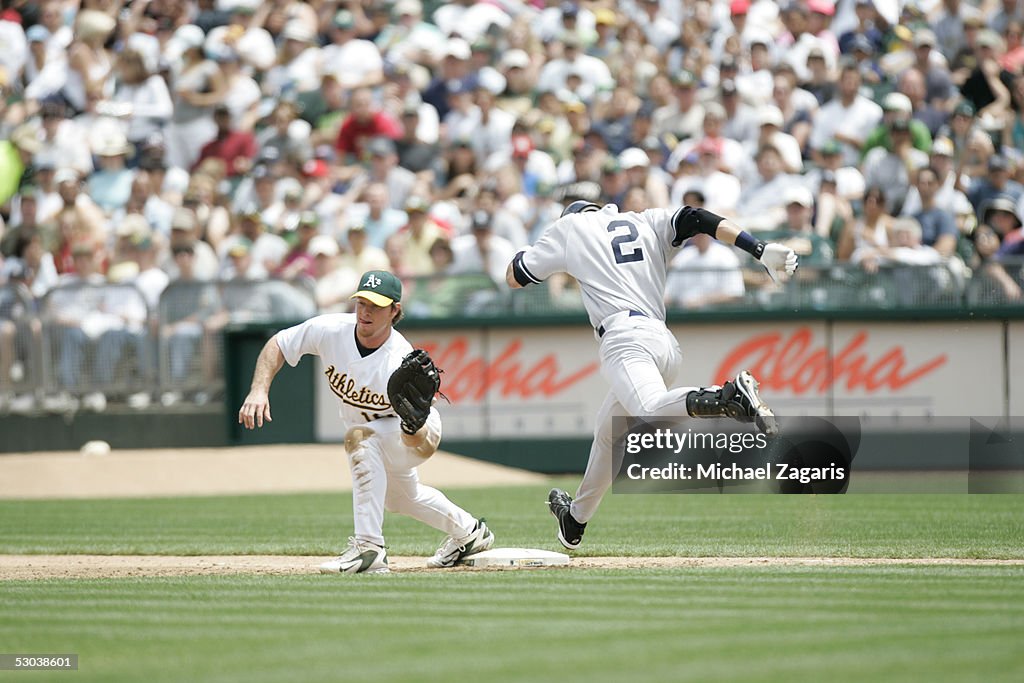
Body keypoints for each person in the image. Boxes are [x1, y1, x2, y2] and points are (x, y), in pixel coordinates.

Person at [506, 201, 798, 549]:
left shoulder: (570, 228)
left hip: (624, 338)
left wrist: (527, 248)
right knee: (609, 433)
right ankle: (574, 520)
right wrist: (757, 248)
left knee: (648, 409)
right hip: (662, 342)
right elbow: (697, 217)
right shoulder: (645, 220)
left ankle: (728, 397)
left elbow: (515, 277)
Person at [238, 270, 494, 573]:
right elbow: (278, 344)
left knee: (360, 438)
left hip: (415, 432)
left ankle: (368, 547)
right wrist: (258, 389)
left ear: (394, 310)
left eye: (376, 304)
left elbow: (414, 437)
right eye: (361, 302)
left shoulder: (398, 359)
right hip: (377, 435)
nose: (366, 311)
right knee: (402, 499)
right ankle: (470, 533)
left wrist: (412, 428)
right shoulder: (331, 328)